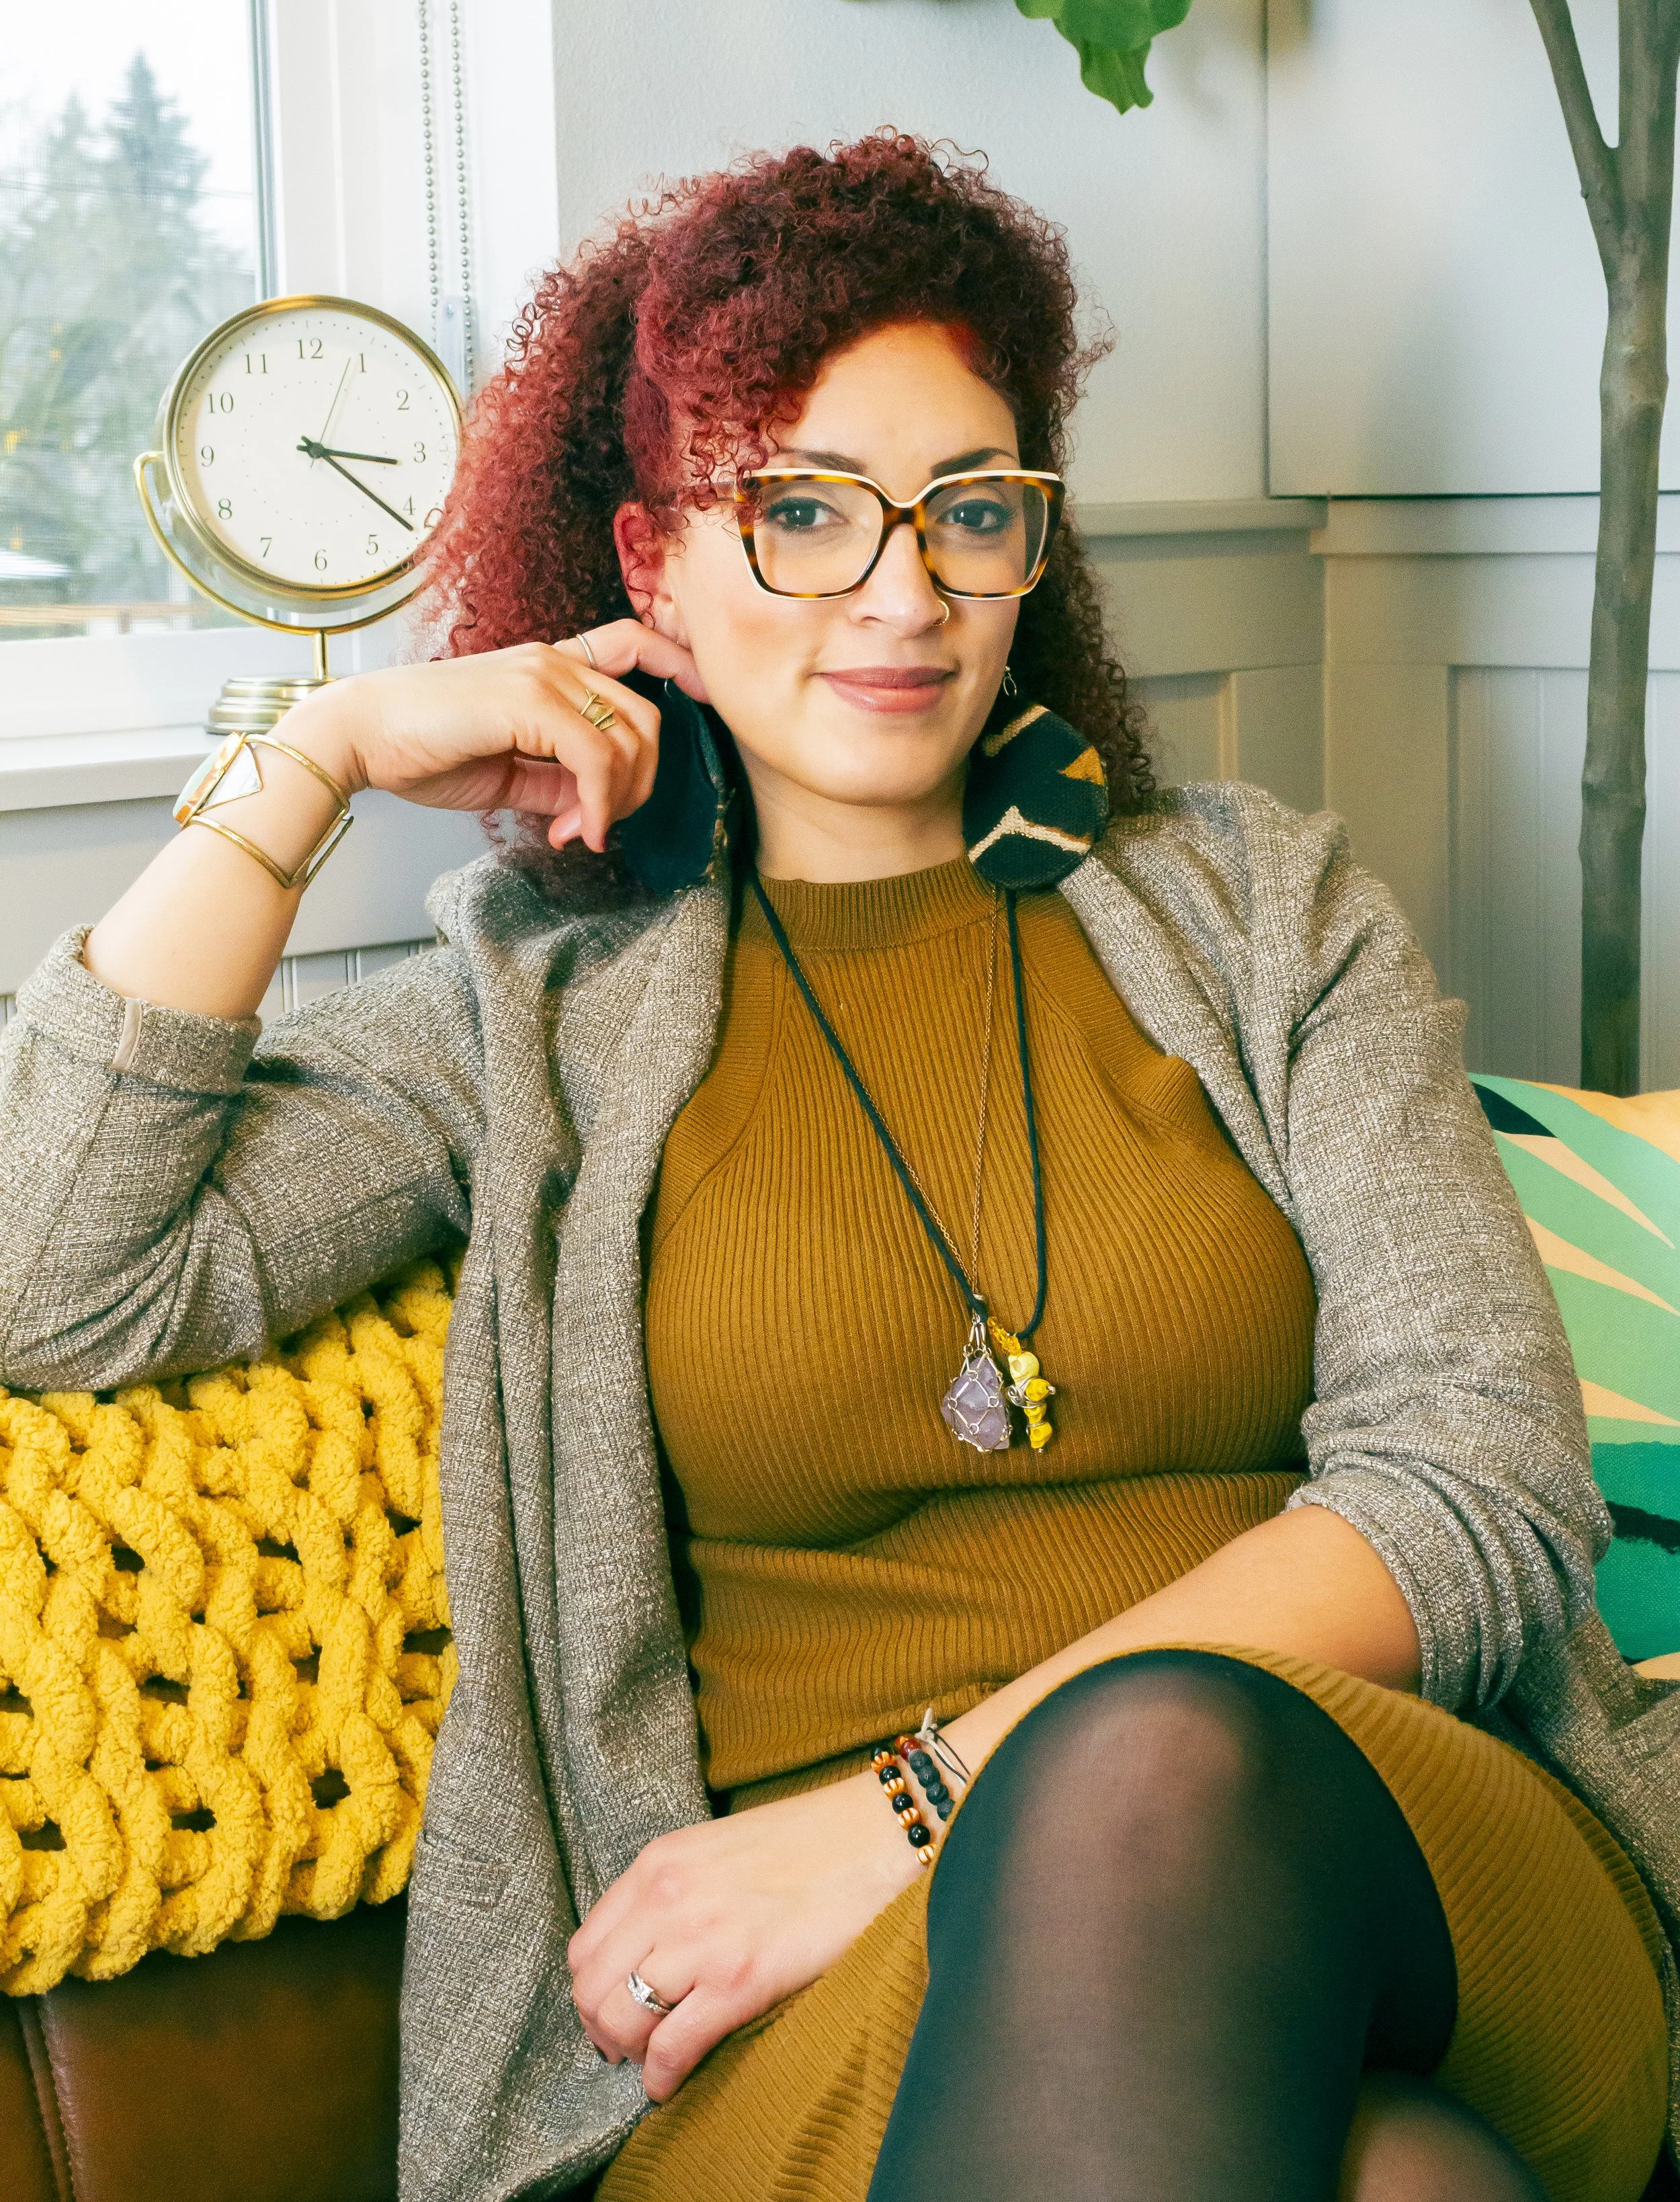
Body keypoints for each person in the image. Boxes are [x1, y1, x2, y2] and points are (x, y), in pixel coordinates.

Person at [0, 133, 1673, 2202]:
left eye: (968, 512)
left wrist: (915, 1799)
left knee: (1149, 1764)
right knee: (1391, 2184)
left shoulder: (1261, 914)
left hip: (1384, 1841)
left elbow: (1472, 1488)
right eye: (800, 512)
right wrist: (313, 752)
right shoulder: (527, 1018)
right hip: (800, 2012)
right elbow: (53, 1274)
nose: (902, 591)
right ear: (649, 571)